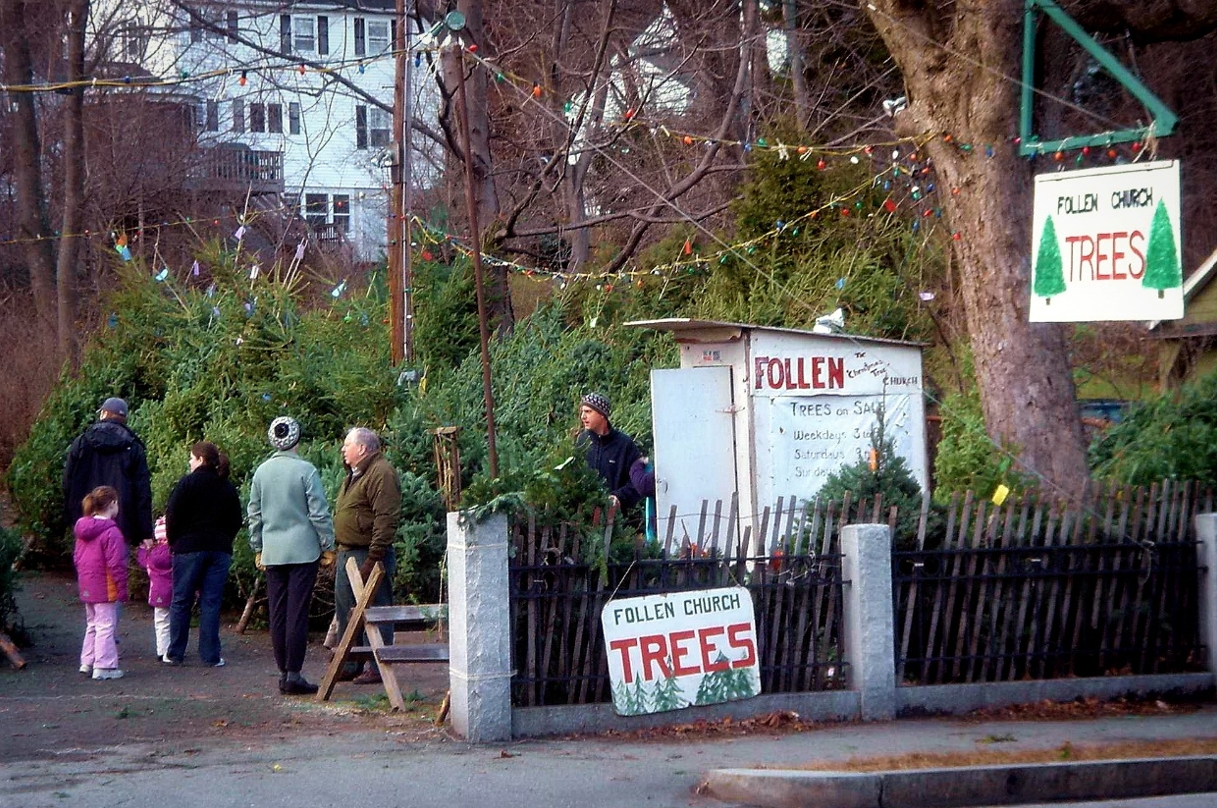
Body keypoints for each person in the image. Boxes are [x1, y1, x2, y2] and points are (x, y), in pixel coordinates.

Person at [248, 417, 337, 696]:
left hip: (273, 551)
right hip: (303, 550)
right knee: (297, 613)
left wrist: (258, 547)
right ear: (297, 440)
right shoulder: (306, 470)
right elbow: (319, 513)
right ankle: (294, 674)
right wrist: (328, 545)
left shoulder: (261, 472)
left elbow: (254, 514)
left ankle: (283, 671)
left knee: (277, 612)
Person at [163, 441, 243, 667]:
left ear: (200, 460)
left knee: (181, 600)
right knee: (211, 602)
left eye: (191, 457)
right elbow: (236, 519)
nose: (189, 461)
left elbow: (173, 515)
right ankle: (210, 655)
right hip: (219, 548)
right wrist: (225, 539)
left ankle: (176, 652)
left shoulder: (187, 483)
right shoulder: (226, 486)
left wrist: (174, 541)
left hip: (188, 547)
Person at [333, 427, 401, 684]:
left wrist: (374, 557)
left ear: (361, 448)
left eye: (347, 445)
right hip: (348, 552)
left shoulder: (381, 473)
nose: (343, 449)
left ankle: (376, 664)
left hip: (367, 553)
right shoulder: (355, 473)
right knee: (346, 612)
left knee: (377, 609)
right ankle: (350, 662)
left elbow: (386, 518)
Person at [63, 397, 153, 548]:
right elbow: (142, 492)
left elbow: (67, 482)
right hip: (120, 525)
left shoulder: (81, 442)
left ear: (103, 414)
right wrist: (144, 532)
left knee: (89, 570)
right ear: (124, 419)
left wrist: (71, 517)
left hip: (85, 521)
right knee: (115, 569)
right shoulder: (133, 447)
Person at [73, 486, 128, 681]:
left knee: (92, 624)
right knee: (106, 625)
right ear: (112, 504)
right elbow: (117, 564)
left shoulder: (82, 529)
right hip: (106, 585)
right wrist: (122, 588)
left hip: (87, 584)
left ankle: (87, 662)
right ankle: (104, 665)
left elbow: (77, 558)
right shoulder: (112, 532)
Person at [578, 392, 642, 513]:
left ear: (602, 414)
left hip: (616, 522)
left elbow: (637, 481)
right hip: (583, 518)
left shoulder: (624, 445)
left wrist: (619, 497)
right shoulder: (582, 441)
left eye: (588, 412)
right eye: (582, 412)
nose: (583, 416)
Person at [137, 516, 173, 659]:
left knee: (161, 622)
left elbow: (141, 560)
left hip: (157, 593)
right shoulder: (175, 553)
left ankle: (161, 650)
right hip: (174, 592)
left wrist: (142, 548)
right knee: (174, 621)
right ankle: (172, 649)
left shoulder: (151, 554)